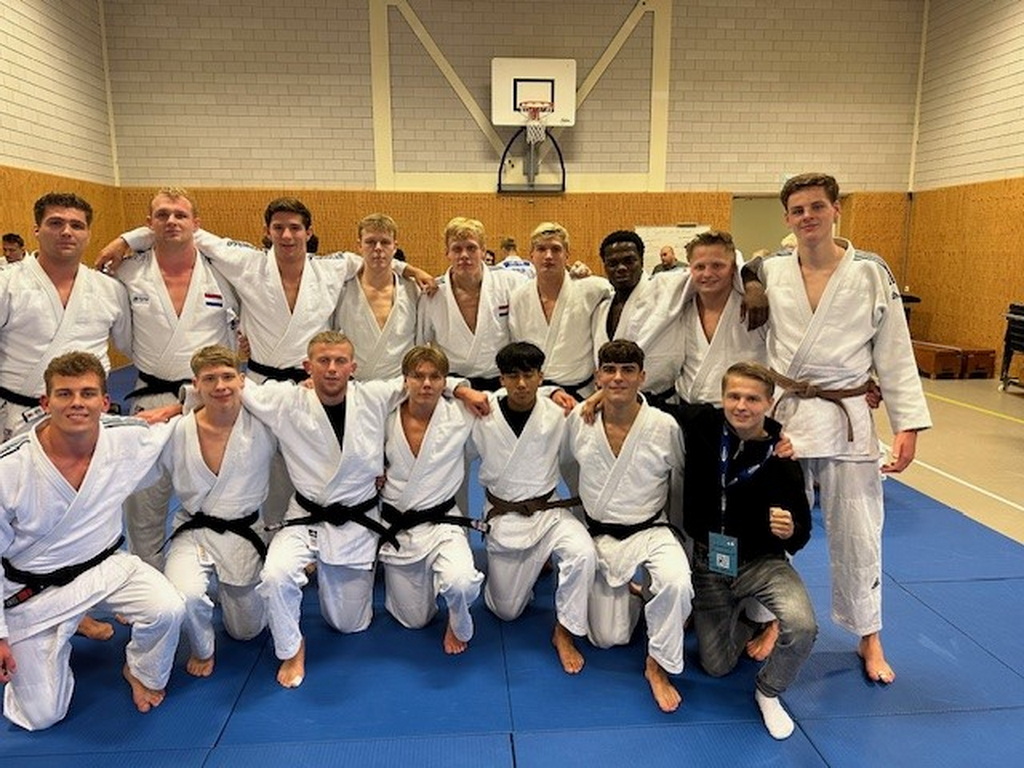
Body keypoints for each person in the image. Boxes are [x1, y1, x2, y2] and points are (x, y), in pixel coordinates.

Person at [746, 172, 931, 684]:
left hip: (847, 416)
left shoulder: (869, 272)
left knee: (858, 532)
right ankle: (771, 619)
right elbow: (746, 277)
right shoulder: (772, 270)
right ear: (786, 218)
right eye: (798, 209)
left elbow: (895, 349)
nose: (807, 216)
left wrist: (907, 423)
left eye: (817, 207)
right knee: (774, 525)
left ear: (836, 210)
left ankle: (868, 634)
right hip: (787, 415)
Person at [0, 352, 184, 730]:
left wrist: (183, 403)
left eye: (87, 393)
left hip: (105, 566)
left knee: (168, 608)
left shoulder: (125, 437)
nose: (77, 403)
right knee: (41, 715)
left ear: (104, 401)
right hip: (34, 590)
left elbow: (182, 421)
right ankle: (58, 634)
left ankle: (141, 670)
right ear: (45, 403)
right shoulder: (9, 468)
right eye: (64, 394)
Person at [683, 362, 816, 739]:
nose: (741, 406)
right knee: (716, 666)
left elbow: (803, 531)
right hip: (710, 562)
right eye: (734, 396)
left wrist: (791, 530)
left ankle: (769, 691)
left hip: (763, 563)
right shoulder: (703, 426)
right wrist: (596, 397)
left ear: (769, 403)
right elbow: (643, 402)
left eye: (753, 399)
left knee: (803, 626)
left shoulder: (783, 458)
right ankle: (748, 620)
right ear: (722, 398)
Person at [113, 188, 240, 570]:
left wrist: (128, 237)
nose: (171, 222)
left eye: (180, 215)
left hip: (209, 400)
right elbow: (123, 337)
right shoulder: (128, 272)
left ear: (196, 224)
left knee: (218, 494)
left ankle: (223, 576)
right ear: (148, 223)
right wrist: (129, 241)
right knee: (145, 498)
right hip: (151, 394)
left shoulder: (222, 272)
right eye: (162, 215)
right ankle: (148, 579)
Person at [565, 340, 691, 712]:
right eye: (610, 370)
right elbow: (567, 467)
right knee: (608, 637)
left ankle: (657, 665)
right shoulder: (580, 419)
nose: (618, 377)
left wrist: (682, 542)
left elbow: (678, 481)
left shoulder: (664, 426)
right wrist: (579, 518)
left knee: (677, 581)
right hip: (600, 531)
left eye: (628, 370)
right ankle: (636, 593)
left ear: (642, 377)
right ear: (598, 376)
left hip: (652, 528)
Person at [472, 341, 596, 673]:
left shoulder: (558, 414)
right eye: (513, 376)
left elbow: (591, 434)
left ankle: (564, 631)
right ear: (501, 379)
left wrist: (564, 394)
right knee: (506, 611)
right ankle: (526, 570)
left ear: (541, 377)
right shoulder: (481, 412)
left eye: (529, 375)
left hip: (549, 512)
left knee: (583, 552)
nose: (522, 384)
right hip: (504, 515)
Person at [160, 345, 276, 678]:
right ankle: (203, 648)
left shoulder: (264, 425)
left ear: (242, 380)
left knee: (247, 631)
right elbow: (131, 463)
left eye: (227, 377)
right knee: (186, 596)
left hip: (243, 531)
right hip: (193, 530)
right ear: (195, 384)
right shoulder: (177, 430)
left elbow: (308, 440)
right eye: (210, 379)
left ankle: (232, 592)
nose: (220, 386)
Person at [378, 345, 485, 655]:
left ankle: (457, 619)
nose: (426, 384)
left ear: (445, 382)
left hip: (442, 523)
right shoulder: (383, 414)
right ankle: (430, 584)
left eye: (435, 377)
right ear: (405, 380)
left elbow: (513, 398)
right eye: (418, 376)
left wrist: (555, 392)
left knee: (461, 582)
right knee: (414, 620)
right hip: (399, 527)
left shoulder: (460, 414)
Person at [0, 193, 131, 442]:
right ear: (37, 230)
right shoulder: (6, 284)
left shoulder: (110, 289)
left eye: (77, 225)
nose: (66, 232)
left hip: (88, 414)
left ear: (88, 234)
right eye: (56, 223)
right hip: (19, 415)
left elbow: (129, 344)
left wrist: (128, 240)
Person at [418, 217, 527, 391]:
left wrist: (574, 278)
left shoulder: (510, 283)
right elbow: (420, 347)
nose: (464, 255)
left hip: (500, 383)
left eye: (471, 248)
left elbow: (544, 291)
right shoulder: (432, 294)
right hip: (452, 386)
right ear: (447, 253)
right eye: (457, 249)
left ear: (483, 251)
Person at [508, 222, 612, 401]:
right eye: (541, 249)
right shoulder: (519, 297)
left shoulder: (592, 289)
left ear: (567, 255)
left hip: (582, 395)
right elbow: (516, 345)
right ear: (531, 255)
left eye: (556, 249)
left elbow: (621, 299)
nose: (548, 256)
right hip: (536, 394)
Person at [675, 230, 767, 410]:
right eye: (699, 267)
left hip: (742, 411)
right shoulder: (681, 307)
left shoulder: (755, 306)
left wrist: (752, 284)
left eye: (717, 266)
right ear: (690, 269)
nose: (707, 274)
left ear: (733, 268)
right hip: (688, 410)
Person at [334, 214, 418, 380]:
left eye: (385, 242)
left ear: (395, 247)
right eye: (370, 242)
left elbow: (421, 341)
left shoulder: (413, 290)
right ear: (359, 246)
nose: (378, 248)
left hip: (401, 384)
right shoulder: (342, 290)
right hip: (355, 385)